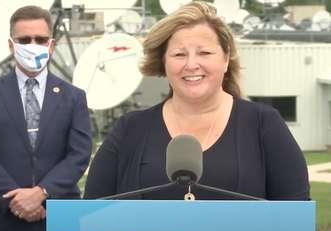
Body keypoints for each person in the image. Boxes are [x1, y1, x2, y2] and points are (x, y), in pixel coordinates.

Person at [83, 1, 309, 201]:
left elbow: (295, 220)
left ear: (226, 58)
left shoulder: (264, 124)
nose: (191, 65)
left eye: (204, 53)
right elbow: (89, 216)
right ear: (163, 63)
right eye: (179, 54)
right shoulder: (129, 130)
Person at [0, 5, 92, 231]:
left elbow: (79, 154)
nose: (32, 45)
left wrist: (42, 192)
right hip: (2, 226)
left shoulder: (74, 97)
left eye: (40, 40)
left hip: (60, 223)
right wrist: (17, 200)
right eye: (24, 40)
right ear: (11, 45)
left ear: (51, 46)